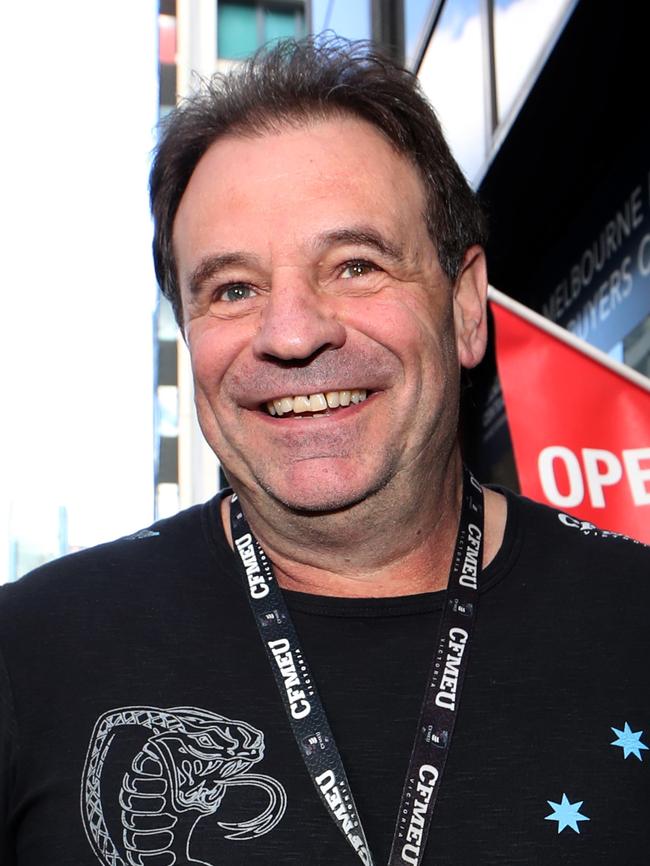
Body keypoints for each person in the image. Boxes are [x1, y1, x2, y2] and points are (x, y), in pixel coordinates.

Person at [1, 37, 648, 866]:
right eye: (234, 289)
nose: (294, 334)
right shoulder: (31, 655)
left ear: (466, 306)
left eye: (354, 265)